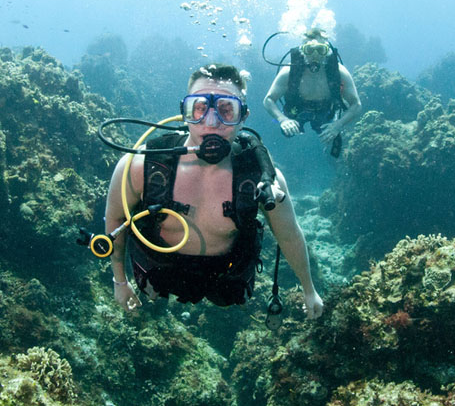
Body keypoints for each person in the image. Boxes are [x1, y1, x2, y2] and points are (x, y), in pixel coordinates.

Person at [103, 63, 324, 319]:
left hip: (225, 276)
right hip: (158, 270)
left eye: (226, 110)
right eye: (198, 108)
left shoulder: (262, 180)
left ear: (243, 117)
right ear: (184, 113)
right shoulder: (140, 166)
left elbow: (288, 235)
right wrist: (120, 281)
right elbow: (115, 220)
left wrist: (309, 289)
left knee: (228, 301)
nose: (210, 122)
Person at [263, 28, 362, 157]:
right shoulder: (289, 72)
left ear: (327, 52)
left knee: (330, 137)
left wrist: (338, 125)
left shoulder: (338, 72)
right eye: (309, 50)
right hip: (297, 109)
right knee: (287, 134)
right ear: (302, 51)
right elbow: (268, 100)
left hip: (325, 110)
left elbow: (356, 104)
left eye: (320, 50)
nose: (315, 56)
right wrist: (282, 120)